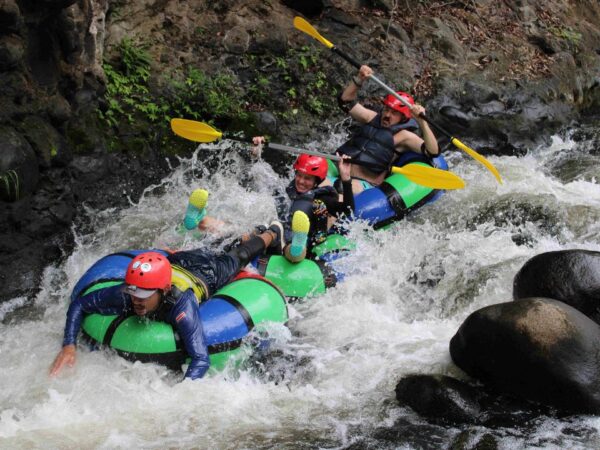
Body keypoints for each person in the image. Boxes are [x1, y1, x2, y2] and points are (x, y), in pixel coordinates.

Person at [49, 222, 284, 380]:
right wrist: (68, 344)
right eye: (134, 293)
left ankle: (271, 233)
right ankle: (237, 233)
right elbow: (80, 303)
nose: (136, 301)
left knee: (238, 256)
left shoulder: (181, 305)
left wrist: (180, 395)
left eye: (143, 296)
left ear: (163, 291)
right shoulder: (126, 293)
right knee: (212, 247)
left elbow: (200, 359)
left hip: (208, 274)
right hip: (181, 261)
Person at [336, 64, 440, 194]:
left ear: (403, 117)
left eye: (394, 112)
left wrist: (422, 122)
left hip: (362, 184)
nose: (387, 115)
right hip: (337, 169)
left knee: (338, 188)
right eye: (386, 109)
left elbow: (433, 152)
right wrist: (359, 79)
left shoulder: (405, 137)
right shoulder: (371, 117)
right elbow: (344, 102)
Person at [251, 139, 355, 262]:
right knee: (263, 228)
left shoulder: (321, 198)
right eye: (299, 175)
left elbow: (348, 210)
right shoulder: (285, 189)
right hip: (274, 233)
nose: (301, 181)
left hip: (299, 246)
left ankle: (297, 245)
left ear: (316, 181)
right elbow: (265, 170)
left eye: (307, 179)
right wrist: (257, 151)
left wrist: (346, 180)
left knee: (288, 245)